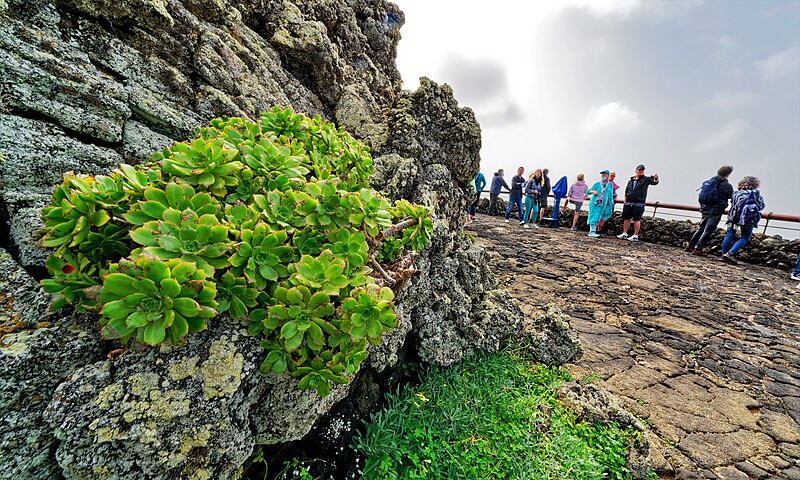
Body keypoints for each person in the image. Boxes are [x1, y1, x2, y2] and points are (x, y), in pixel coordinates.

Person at [685, 165, 734, 256]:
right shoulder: (727, 186)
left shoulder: (708, 182)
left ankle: (690, 246)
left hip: (705, 208)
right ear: (728, 175)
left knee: (701, 227)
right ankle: (698, 249)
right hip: (716, 210)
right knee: (708, 230)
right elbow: (732, 198)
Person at [721, 176, 765, 265]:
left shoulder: (736, 193)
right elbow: (762, 206)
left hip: (733, 217)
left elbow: (733, 203)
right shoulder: (756, 195)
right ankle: (730, 253)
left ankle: (724, 254)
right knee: (745, 237)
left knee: (730, 234)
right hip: (748, 219)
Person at [617, 164, 659, 242]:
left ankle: (635, 235)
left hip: (639, 202)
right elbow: (626, 191)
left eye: (642, 170)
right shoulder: (631, 181)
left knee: (637, 219)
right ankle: (624, 233)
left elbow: (654, 182)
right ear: (636, 170)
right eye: (639, 170)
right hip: (628, 202)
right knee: (627, 218)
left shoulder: (646, 179)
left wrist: (656, 179)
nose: (641, 171)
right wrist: (625, 201)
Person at [586, 170, 615, 238]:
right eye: (602, 175)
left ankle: (594, 231)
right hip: (595, 203)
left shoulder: (610, 185)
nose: (603, 176)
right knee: (594, 216)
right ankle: (592, 231)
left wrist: (611, 203)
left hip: (604, 204)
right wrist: (593, 191)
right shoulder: (597, 184)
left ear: (608, 175)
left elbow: (610, 194)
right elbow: (588, 191)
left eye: (604, 174)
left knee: (599, 217)